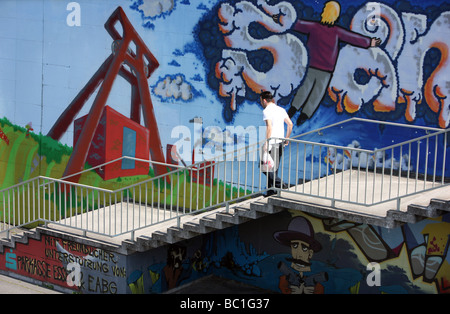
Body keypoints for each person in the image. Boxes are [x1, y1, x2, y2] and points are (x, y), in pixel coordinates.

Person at [273, 1, 381, 125]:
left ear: (325, 12)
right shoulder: (337, 31)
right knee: (317, 94)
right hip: (326, 70)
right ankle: (304, 115)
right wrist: (370, 42)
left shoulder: (314, 27)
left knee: (304, 89)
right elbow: (353, 37)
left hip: (311, 65)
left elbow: (297, 24)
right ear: (336, 15)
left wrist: (280, 19)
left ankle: (292, 110)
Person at [260, 91, 293, 196]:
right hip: (280, 142)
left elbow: (269, 126)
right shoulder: (281, 110)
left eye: (261, 100)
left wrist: (266, 142)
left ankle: (280, 184)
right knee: (274, 168)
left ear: (264, 100)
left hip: (271, 142)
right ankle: (272, 192)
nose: (261, 102)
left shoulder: (266, 111)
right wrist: (286, 139)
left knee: (264, 167)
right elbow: (290, 124)